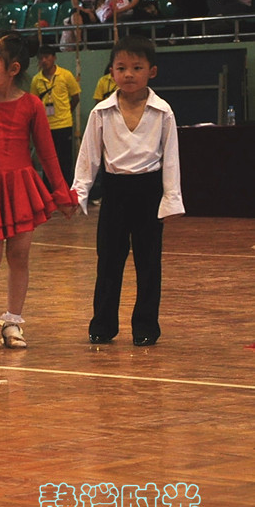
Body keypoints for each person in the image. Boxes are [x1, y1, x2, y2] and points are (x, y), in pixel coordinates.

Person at [0, 31, 76, 349]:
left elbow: (48, 154)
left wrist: (61, 194)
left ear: (13, 68)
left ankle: (13, 320)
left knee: (19, 256)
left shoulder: (32, 105)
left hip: (21, 186)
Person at [71, 35, 184, 347]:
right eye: (121, 67)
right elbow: (89, 158)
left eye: (137, 67)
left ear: (152, 71)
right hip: (115, 192)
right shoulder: (101, 112)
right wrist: (78, 194)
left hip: (149, 192)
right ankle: (102, 325)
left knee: (149, 263)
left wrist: (170, 200)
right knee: (108, 260)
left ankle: (146, 325)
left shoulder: (163, 112)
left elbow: (171, 158)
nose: (129, 74)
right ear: (111, 71)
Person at [29, 45, 80, 185]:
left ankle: (66, 189)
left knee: (65, 159)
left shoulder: (66, 75)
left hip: (64, 124)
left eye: (47, 57)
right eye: (41, 58)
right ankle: (49, 190)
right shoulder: (36, 80)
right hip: (46, 126)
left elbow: (75, 98)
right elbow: (34, 103)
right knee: (47, 159)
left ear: (54, 58)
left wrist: (66, 112)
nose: (44, 60)